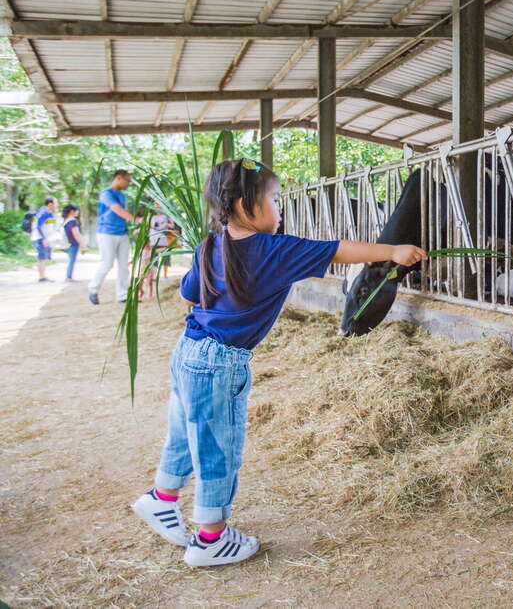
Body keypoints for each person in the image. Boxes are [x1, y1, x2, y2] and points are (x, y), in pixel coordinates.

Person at [131, 158, 426, 567]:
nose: (280, 207)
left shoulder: (210, 245)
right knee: (218, 448)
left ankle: (161, 499)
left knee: (185, 432)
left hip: (188, 350)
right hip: (219, 364)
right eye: (273, 199)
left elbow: (188, 296)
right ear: (244, 204)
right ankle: (211, 538)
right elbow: (339, 250)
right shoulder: (274, 250)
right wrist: (393, 250)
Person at [88, 170, 139, 304]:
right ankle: (93, 289)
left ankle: (123, 295)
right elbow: (117, 210)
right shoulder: (106, 194)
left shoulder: (122, 195)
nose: (129, 184)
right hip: (107, 233)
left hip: (122, 233)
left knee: (124, 266)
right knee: (107, 263)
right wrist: (136, 220)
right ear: (118, 178)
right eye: (127, 180)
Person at [142, 209, 176, 299]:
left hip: (164, 240)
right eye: (156, 204)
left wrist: (166, 225)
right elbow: (150, 227)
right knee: (154, 261)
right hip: (154, 241)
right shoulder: (152, 217)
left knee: (166, 259)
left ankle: (165, 275)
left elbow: (172, 226)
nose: (157, 206)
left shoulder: (167, 216)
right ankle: (154, 276)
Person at [29, 196, 58, 282]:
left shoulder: (48, 213)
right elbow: (38, 226)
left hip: (43, 238)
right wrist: (44, 239)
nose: (57, 205)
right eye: (55, 203)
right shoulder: (43, 212)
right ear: (50, 204)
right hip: (39, 238)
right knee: (42, 258)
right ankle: (42, 277)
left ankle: (42, 276)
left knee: (43, 258)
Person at [62, 204, 87, 281]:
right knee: (71, 261)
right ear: (72, 211)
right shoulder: (72, 221)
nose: (78, 212)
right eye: (77, 210)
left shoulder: (66, 220)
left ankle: (68, 276)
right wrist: (83, 245)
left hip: (67, 244)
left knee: (71, 260)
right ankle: (68, 277)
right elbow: (76, 234)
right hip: (73, 244)